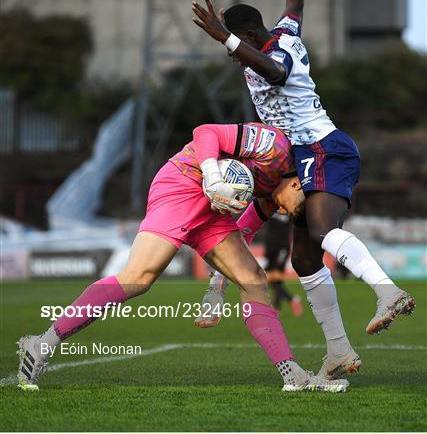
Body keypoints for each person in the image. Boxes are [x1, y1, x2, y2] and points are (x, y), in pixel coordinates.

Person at [191, 0, 415, 376]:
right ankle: (338, 350)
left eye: (234, 46)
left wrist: (225, 38)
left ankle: (387, 292)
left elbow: (274, 72)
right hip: (296, 157)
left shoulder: (277, 51)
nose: (232, 55)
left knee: (320, 231)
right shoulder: (282, 31)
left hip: (322, 147)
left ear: (249, 37)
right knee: (304, 257)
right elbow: (295, 3)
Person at [17, 121, 348, 393]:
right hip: (183, 183)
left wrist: (215, 290)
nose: (287, 213)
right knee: (139, 279)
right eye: (297, 209)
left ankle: (293, 376)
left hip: (214, 209)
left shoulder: (271, 194)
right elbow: (206, 132)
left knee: (254, 281)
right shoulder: (275, 147)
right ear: (296, 185)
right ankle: (42, 343)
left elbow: (242, 233)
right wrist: (214, 175)